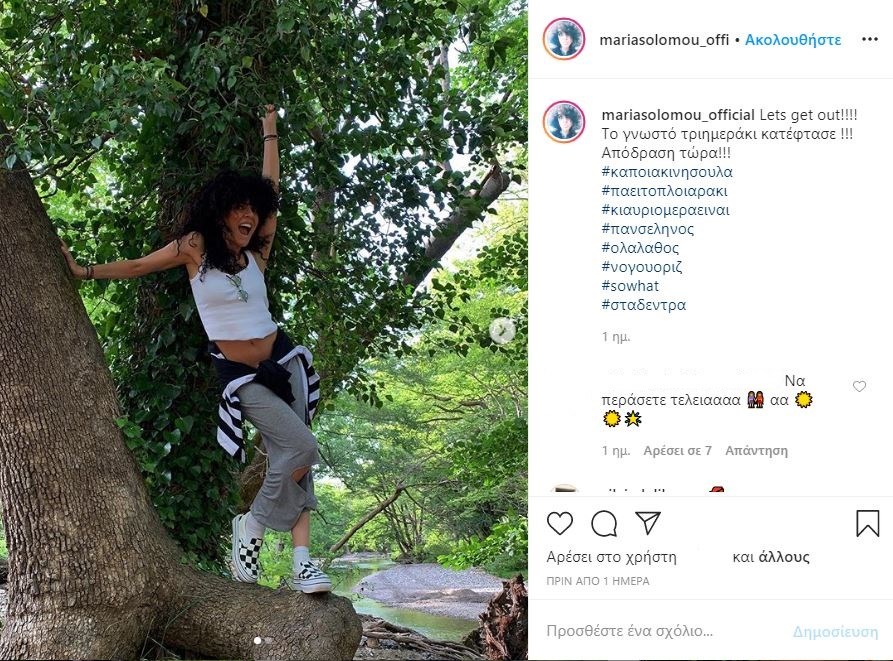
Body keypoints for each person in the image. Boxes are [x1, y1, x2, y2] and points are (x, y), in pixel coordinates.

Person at [61, 105, 332, 593]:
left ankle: (302, 562)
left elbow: (272, 191)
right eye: (240, 208)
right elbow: (139, 266)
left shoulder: (257, 253)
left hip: (284, 360)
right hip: (242, 375)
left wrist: (270, 132)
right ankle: (251, 525)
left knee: (296, 456)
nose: (250, 215)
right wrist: (85, 272)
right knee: (302, 446)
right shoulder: (195, 248)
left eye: (254, 210)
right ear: (220, 211)